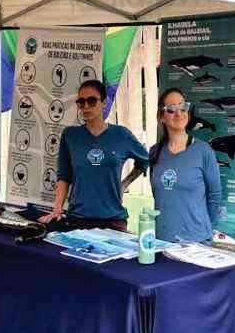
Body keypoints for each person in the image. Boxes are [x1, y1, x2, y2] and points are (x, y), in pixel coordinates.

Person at [41, 79, 149, 231]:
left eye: (92, 101)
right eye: (81, 102)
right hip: (77, 220)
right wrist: (57, 208)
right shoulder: (70, 136)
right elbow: (64, 175)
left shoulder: (121, 135)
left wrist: (124, 184)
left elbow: (144, 160)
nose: (86, 106)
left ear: (104, 103)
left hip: (113, 221)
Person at [147, 88, 222, 243]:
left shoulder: (203, 151)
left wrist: (202, 230)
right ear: (161, 117)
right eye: (171, 109)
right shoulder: (155, 152)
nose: (179, 113)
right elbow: (159, 196)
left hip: (197, 243)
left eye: (183, 107)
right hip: (162, 240)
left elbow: (214, 197)